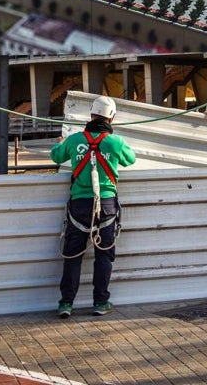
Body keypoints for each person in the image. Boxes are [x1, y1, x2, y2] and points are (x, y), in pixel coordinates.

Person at [50, 94, 136, 317]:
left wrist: (59, 143)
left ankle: (66, 303)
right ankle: (100, 302)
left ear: (91, 115)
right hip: (106, 205)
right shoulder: (115, 142)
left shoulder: (75, 140)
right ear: (111, 118)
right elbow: (130, 159)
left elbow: (56, 157)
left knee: (73, 255)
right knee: (104, 255)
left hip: (79, 205)